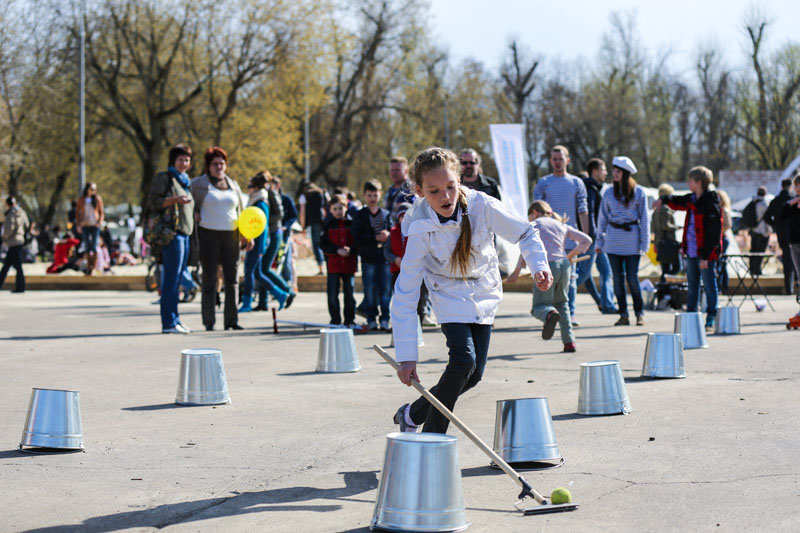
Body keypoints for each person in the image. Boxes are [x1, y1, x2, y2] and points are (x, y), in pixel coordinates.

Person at [390, 147, 551, 434]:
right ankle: (431, 442)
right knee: (463, 361)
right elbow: (406, 293)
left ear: (459, 181)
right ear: (419, 191)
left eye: (450, 187)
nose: (445, 196)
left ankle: (412, 414)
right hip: (447, 294)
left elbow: (525, 232)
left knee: (473, 375)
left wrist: (540, 265)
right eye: (434, 190)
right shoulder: (419, 227)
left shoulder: (482, 206)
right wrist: (407, 354)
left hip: (483, 290)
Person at [507, 201, 591, 352]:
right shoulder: (560, 224)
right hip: (564, 266)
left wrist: (516, 272)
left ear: (534, 213)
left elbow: (527, 250)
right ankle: (569, 342)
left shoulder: (535, 224)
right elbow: (587, 240)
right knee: (563, 304)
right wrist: (569, 256)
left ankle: (548, 314)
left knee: (539, 306)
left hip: (545, 266)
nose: (529, 219)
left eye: (530, 216)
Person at [655, 166, 722, 329]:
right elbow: (677, 200)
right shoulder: (692, 199)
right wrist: (663, 200)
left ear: (699, 183)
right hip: (691, 250)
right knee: (692, 284)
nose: (687, 183)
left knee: (709, 284)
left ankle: (711, 315)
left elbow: (714, 233)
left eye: (690, 181)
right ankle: (691, 316)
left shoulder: (710, 203)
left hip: (706, 254)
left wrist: (706, 256)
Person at [189, 146, 247, 331]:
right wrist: (195, 212)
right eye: (215, 164)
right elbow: (188, 205)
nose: (219, 167)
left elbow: (242, 211)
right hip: (208, 235)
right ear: (208, 166)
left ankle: (231, 320)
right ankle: (209, 321)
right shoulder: (198, 184)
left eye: (222, 163)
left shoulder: (233, 185)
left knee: (232, 279)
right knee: (210, 279)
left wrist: (247, 235)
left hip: (231, 235)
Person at [533, 145, 590, 325]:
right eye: (554, 159)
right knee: (549, 278)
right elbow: (536, 209)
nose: (557, 162)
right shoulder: (543, 182)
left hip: (570, 239)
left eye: (561, 158)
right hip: (549, 241)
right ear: (551, 161)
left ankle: (569, 314)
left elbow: (583, 210)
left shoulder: (576, 183)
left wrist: (585, 235)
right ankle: (550, 312)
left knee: (570, 280)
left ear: (567, 160)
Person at [596, 156, 649, 326]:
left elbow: (645, 219)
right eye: (614, 170)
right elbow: (602, 218)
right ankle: (623, 314)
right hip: (612, 241)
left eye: (618, 171)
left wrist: (644, 243)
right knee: (617, 279)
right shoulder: (608, 192)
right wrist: (599, 242)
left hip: (632, 241)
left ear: (625, 174)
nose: (614, 174)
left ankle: (639, 313)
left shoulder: (639, 192)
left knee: (632, 278)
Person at [147, 144, 195, 333]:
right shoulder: (165, 178)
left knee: (177, 281)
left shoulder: (185, 182)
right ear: (173, 161)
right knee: (171, 280)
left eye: (187, 160)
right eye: (181, 160)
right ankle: (168, 323)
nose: (184, 163)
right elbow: (153, 202)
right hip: (171, 235)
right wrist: (175, 200)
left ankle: (175, 319)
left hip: (185, 234)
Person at [240, 173, 289, 313]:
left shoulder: (260, 203)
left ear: (255, 188)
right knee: (257, 273)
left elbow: (260, 227)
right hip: (257, 242)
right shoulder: (258, 201)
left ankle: (247, 302)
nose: (248, 189)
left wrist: (252, 241)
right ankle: (280, 294)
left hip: (257, 243)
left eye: (249, 186)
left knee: (250, 272)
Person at [352, 179, 392, 330]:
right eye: (369, 195)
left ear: (380, 195)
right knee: (369, 289)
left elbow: (392, 230)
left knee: (385, 289)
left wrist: (387, 234)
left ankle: (385, 318)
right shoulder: (360, 215)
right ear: (364, 196)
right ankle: (371, 318)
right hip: (368, 258)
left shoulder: (386, 214)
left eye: (375, 195)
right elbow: (356, 235)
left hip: (384, 258)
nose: (372, 198)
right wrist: (374, 237)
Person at [384, 202, 431, 325]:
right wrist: (395, 259)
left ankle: (422, 317)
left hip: (416, 270)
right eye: (401, 216)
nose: (404, 219)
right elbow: (387, 250)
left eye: (407, 216)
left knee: (420, 295)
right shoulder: (393, 232)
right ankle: (402, 319)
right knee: (400, 295)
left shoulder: (418, 231)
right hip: (397, 270)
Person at [580, 158, 617, 314]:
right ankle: (559, 299)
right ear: (595, 171)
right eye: (603, 169)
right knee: (582, 274)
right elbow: (590, 214)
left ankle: (608, 305)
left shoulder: (594, 188)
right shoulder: (590, 189)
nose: (606, 172)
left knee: (606, 271)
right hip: (592, 239)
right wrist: (593, 237)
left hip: (597, 239)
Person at [254, 172, 294, 310]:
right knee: (262, 269)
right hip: (267, 233)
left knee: (264, 268)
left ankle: (288, 291)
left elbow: (279, 214)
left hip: (274, 233)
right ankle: (262, 302)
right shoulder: (262, 194)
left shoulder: (270, 194)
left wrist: (262, 220)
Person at [320, 195, 357, 326]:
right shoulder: (327, 225)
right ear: (330, 210)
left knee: (349, 293)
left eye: (340, 208)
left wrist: (351, 250)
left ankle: (349, 319)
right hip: (333, 265)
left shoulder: (352, 223)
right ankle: (335, 320)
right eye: (335, 209)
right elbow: (323, 244)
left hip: (349, 264)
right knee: (332, 294)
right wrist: (336, 250)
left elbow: (357, 241)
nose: (338, 211)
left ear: (346, 208)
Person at [765, 178, 796, 294]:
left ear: (782, 187)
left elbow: (767, 217)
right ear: (791, 186)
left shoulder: (776, 200)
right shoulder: (793, 200)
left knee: (787, 260)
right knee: (793, 259)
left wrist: (776, 225)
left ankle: (789, 287)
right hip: (794, 233)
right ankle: (792, 286)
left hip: (782, 234)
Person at [778, 174, 800, 317]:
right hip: (794, 242)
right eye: (796, 186)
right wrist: (792, 203)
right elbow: (781, 216)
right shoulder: (792, 202)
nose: (797, 189)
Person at [652, 183, 681, 281]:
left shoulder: (656, 210)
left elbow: (654, 227)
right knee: (676, 267)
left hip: (660, 242)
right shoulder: (665, 208)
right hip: (668, 242)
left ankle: (664, 291)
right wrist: (676, 227)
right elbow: (666, 226)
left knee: (665, 268)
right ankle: (665, 286)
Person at [298, 182, 329, 275]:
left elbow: (302, 213)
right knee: (325, 243)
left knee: (316, 245)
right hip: (323, 221)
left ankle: (321, 268)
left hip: (313, 221)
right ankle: (328, 266)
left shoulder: (304, 196)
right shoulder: (322, 193)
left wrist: (303, 226)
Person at [0, 196, 29, 293]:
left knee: (14, 265)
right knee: (9, 265)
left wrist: (4, 237)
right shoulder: (22, 212)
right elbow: (27, 225)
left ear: (8, 204)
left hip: (13, 241)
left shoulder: (11, 213)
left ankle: (20, 287)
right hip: (20, 240)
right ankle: (20, 286)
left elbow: (9, 228)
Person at [76, 182, 105, 276]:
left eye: (95, 189)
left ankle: (93, 267)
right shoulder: (82, 199)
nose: (93, 191)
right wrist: (78, 224)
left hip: (94, 225)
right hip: (85, 225)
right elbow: (78, 213)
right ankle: (89, 267)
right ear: (87, 189)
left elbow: (101, 212)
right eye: (92, 189)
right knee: (87, 246)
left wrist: (99, 223)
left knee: (94, 245)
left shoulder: (97, 198)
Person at [747, 186, 771, 276]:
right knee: (760, 251)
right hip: (762, 231)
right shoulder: (764, 204)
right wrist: (769, 231)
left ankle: (752, 269)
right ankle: (757, 269)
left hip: (753, 230)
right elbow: (767, 219)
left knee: (753, 251)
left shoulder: (752, 202)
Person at [717, 189, 734, 294]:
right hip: (718, 238)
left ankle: (724, 286)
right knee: (719, 263)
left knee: (722, 263)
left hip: (722, 238)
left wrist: (718, 230)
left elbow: (728, 225)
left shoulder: (724, 210)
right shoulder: (717, 209)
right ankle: (721, 286)